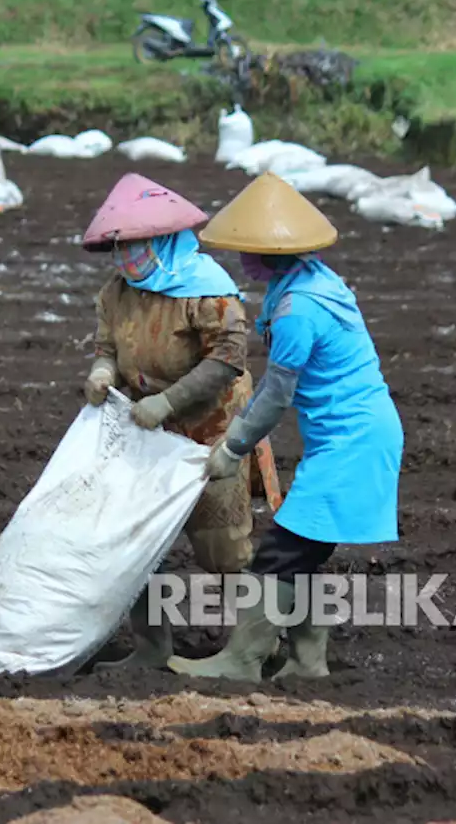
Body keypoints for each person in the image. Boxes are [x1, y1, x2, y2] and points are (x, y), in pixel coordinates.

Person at [166, 173, 404, 683]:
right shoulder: (311, 279)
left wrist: (233, 447)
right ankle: (305, 661)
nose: (241, 260)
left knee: (280, 554)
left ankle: (243, 660)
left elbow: (276, 394)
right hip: (351, 436)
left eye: (247, 251)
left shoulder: (300, 309)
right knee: (303, 552)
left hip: (353, 442)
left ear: (268, 253)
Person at [80, 172, 281, 671]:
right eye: (119, 249)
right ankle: (151, 648)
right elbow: (108, 344)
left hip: (213, 434)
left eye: (137, 246)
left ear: (164, 241)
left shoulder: (209, 292)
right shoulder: (116, 292)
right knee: (140, 543)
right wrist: (103, 370)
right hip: (148, 435)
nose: (127, 258)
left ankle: (259, 645)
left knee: (224, 548)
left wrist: (168, 402)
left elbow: (227, 360)